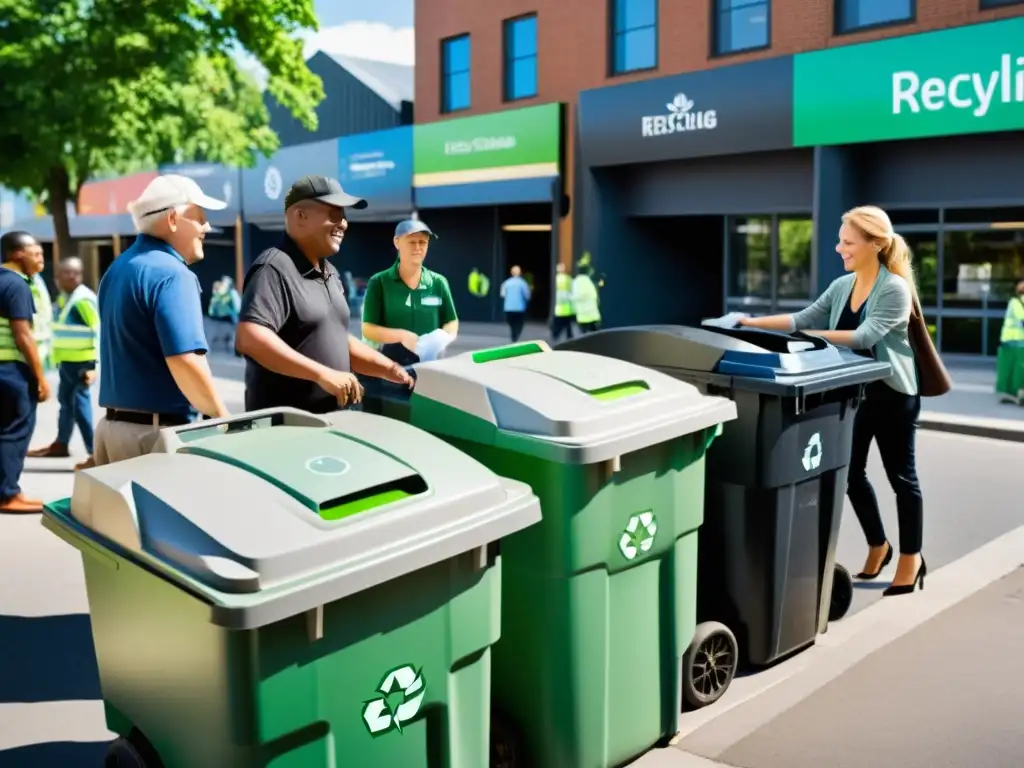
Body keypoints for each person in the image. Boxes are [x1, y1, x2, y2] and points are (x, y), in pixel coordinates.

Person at [739, 205, 925, 596]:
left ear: (875, 244)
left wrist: (813, 339)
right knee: (849, 475)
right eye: (840, 241)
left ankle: (912, 558)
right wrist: (751, 323)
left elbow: (865, 337)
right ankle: (879, 544)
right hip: (854, 394)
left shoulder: (894, 288)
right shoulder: (844, 285)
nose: (840, 248)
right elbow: (803, 318)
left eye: (847, 242)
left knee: (901, 479)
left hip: (892, 394)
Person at [235, 175, 413, 414]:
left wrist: (390, 369)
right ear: (300, 216)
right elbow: (251, 338)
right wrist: (322, 374)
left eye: (344, 216)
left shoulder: (330, 272)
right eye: (334, 214)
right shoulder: (273, 268)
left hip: (333, 425)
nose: (343, 224)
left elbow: (337, 339)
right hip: (289, 432)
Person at [95, 174, 230, 465]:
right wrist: (224, 420)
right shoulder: (173, 274)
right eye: (199, 218)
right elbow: (185, 361)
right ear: (172, 218)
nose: (206, 227)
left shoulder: (117, 269)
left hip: (111, 430)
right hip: (154, 436)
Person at [27, 257, 99, 468]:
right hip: (67, 362)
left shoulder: (83, 299)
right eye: (65, 272)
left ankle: (94, 452)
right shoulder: (64, 298)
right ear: (57, 277)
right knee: (66, 404)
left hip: (82, 364)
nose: (70, 276)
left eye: (75, 273)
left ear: (81, 275)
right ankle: (61, 443)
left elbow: (97, 331)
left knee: (79, 405)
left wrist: (93, 366)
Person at [361, 219, 459, 363]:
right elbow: (368, 328)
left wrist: (442, 337)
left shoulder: (438, 282)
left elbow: (451, 321)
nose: (418, 247)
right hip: (390, 367)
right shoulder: (379, 282)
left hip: (430, 367)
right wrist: (400, 336)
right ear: (397, 242)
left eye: (423, 242)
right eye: (412, 242)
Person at [0, 231, 50, 513]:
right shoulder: (17, 285)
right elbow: (23, 335)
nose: (40, 259)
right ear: (17, 254)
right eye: (36, 253)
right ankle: (8, 495)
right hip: (10, 370)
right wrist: (40, 378)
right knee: (15, 431)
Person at [995, 278, 1024, 404]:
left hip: (1012, 340)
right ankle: (1018, 393)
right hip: (1015, 341)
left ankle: (1014, 393)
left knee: (1014, 368)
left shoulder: (1014, 301)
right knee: (1018, 368)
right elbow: (1021, 318)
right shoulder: (1016, 302)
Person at [207, 275, 241, 355]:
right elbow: (214, 303)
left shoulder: (232, 293)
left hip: (229, 318)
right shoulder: (219, 292)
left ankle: (234, 348)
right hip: (219, 318)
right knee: (214, 333)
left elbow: (237, 305)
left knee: (231, 334)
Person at [500, 265, 532, 342]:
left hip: (509, 308)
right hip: (519, 308)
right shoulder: (523, 283)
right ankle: (516, 335)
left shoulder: (506, 283)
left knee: (512, 323)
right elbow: (527, 295)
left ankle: (513, 335)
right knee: (519, 324)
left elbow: (502, 294)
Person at [572, 261, 602, 334]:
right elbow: (594, 297)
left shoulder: (575, 282)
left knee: (584, 338)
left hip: (581, 317)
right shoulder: (589, 282)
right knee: (596, 338)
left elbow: (574, 297)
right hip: (593, 316)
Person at [551, 262, 575, 342]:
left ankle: (556, 336)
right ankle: (569, 336)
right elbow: (572, 291)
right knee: (566, 324)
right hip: (567, 306)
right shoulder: (568, 279)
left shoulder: (555, 278)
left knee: (559, 324)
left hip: (558, 306)